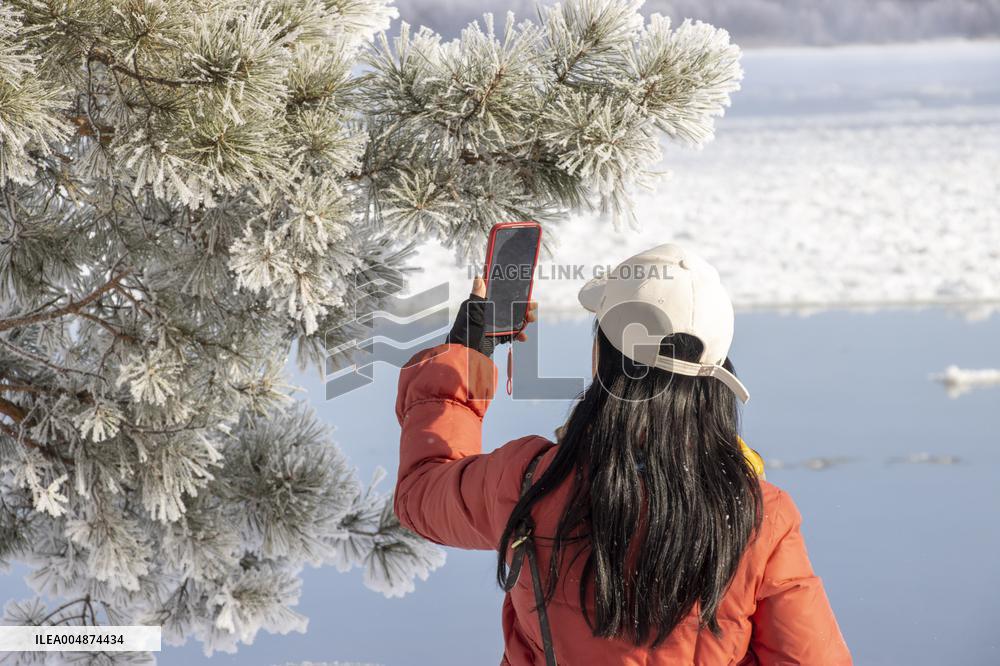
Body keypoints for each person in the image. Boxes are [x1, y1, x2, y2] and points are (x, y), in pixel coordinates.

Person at [393, 243, 852, 665]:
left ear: (602, 359)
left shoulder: (531, 482)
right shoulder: (761, 517)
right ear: (716, 375)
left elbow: (421, 494)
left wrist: (468, 352)